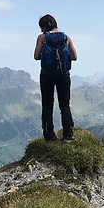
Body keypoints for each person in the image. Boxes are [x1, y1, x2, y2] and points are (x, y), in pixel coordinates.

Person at [34, 14, 78, 142]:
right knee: (64, 105)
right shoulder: (66, 38)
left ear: (44, 27)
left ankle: (49, 136)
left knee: (47, 105)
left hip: (47, 75)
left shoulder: (42, 38)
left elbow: (36, 56)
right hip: (63, 75)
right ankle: (68, 135)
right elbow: (75, 57)